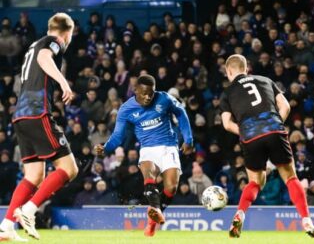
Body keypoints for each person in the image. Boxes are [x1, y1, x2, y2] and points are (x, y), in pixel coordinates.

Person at [220, 54, 314, 238]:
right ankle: (307, 220)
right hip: (274, 128)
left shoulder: (227, 93)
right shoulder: (265, 80)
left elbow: (226, 124)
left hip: (249, 135)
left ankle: (239, 214)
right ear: (246, 68)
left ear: (229, 71)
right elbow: (286, 106)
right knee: (290, 177)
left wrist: (244, 131)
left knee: (255, 181)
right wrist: (275, 124)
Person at [0, 13, 78, 241]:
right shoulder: (53, 42)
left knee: (34, 175)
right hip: (37, 112)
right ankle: (29, 209)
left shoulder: (33, 44)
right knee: (69, 168)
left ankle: (6, 226)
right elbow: (45, 59)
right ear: (67, 32)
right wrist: (64, 82)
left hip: (21, 117)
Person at [95, 74, 193, 237]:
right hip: (147, 149)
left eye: (151, 93)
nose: (148, 97)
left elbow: (181, 113)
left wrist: (188, 139)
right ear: (135, 90)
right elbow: (118, 136)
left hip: (169, 147)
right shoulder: (126, 109)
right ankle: (156, 212)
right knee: (150, 177)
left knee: (171, 188)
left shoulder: (165, 99)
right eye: (144, 93)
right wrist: (106, 147)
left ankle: (152, 220)